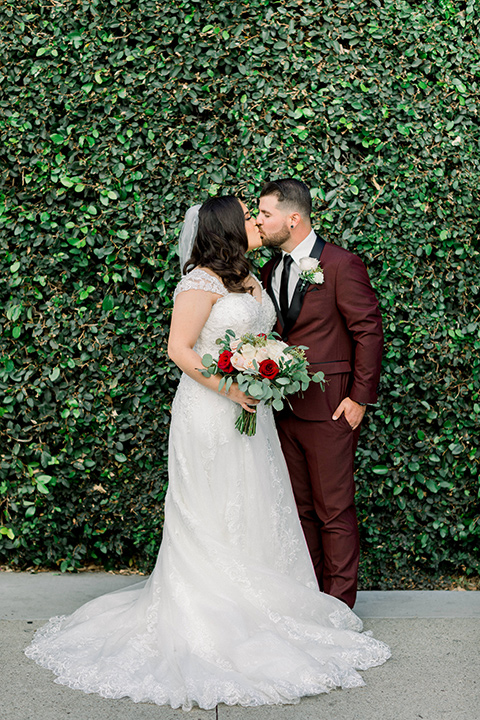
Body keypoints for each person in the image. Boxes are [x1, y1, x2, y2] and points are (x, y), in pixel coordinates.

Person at [25, 195, 389, 711]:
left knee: (259, 505)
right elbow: (179, 348)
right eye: (248, 215)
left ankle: (270, 605)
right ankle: (212, 612)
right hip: (212, 412)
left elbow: (271, 335)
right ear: (227, 226)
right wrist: (230, 388)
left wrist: (268, 370)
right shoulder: (199, 280)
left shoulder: (252, 276)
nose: (256, 221)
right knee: (213, 510)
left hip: (254, 415)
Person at [258, 179, 384, 610]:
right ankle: (312, 600)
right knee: (301, 511)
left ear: (293, 219)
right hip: (283, 409)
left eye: (265, 214)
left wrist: (359, 398)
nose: (259, 221)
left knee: (334, 511)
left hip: (332, 408)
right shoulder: (272, 269)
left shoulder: (341, 263)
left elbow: (367, 331)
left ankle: (340, 608)